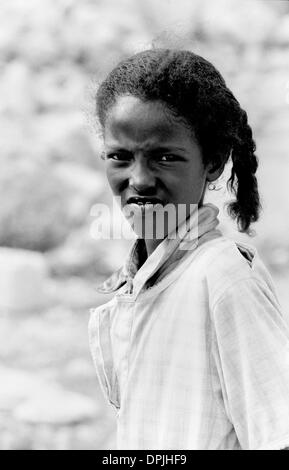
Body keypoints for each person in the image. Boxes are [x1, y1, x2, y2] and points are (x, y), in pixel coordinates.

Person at [88, 48, 289, 450]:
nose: (139, 179)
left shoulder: (224, 277)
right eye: (120, 157)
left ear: (212, 162)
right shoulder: (143, 280)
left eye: (165, 157)